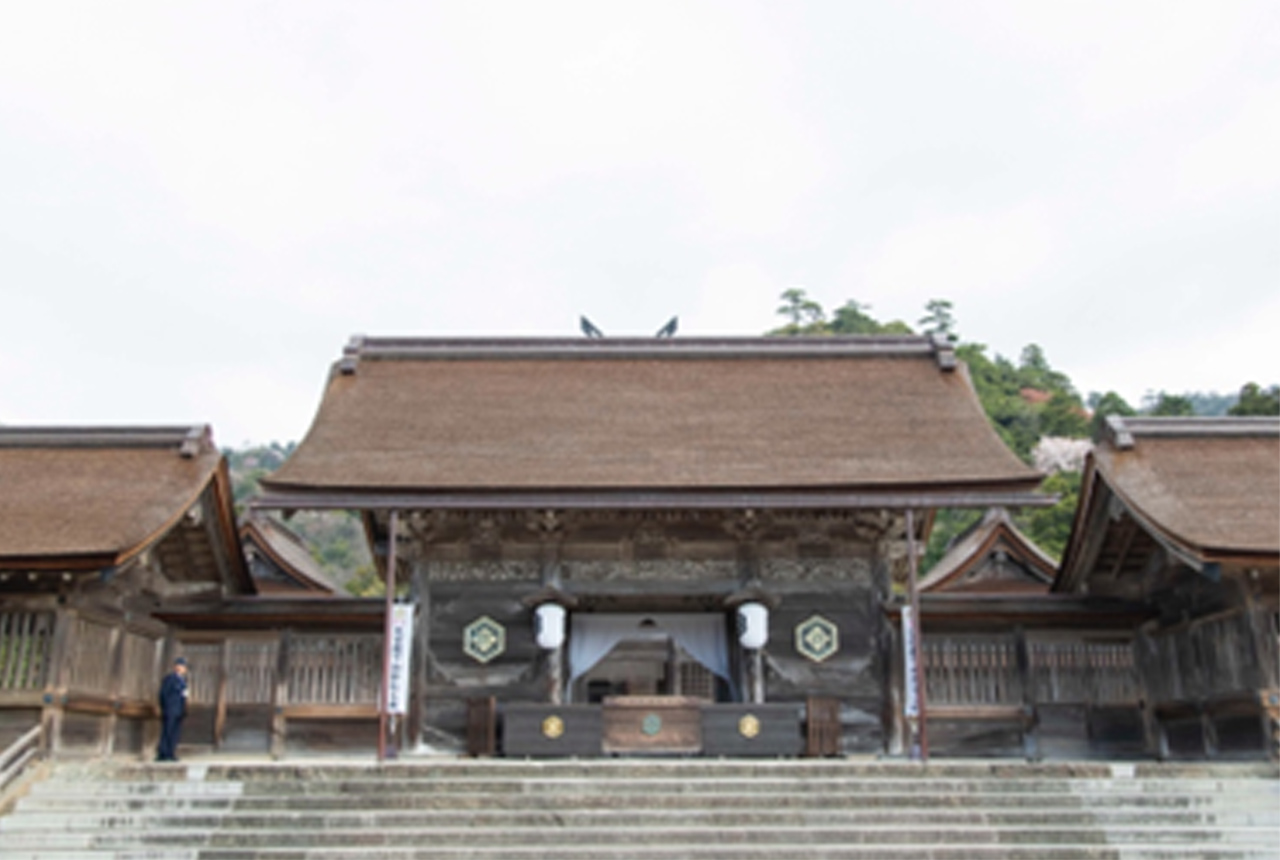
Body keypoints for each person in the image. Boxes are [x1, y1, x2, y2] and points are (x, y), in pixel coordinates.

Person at [156, 656, 189, 762]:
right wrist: (165, 707)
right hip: (170, 709)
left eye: (184, 667)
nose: (184, 669)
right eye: (183, 666)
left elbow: (184, 696)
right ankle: (163, 753)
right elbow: (163, 694)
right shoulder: (170, 679)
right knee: (167, 730)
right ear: (177, 667)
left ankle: (171, 752)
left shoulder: (183, 681)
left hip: (179, 709)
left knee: (175, 732)